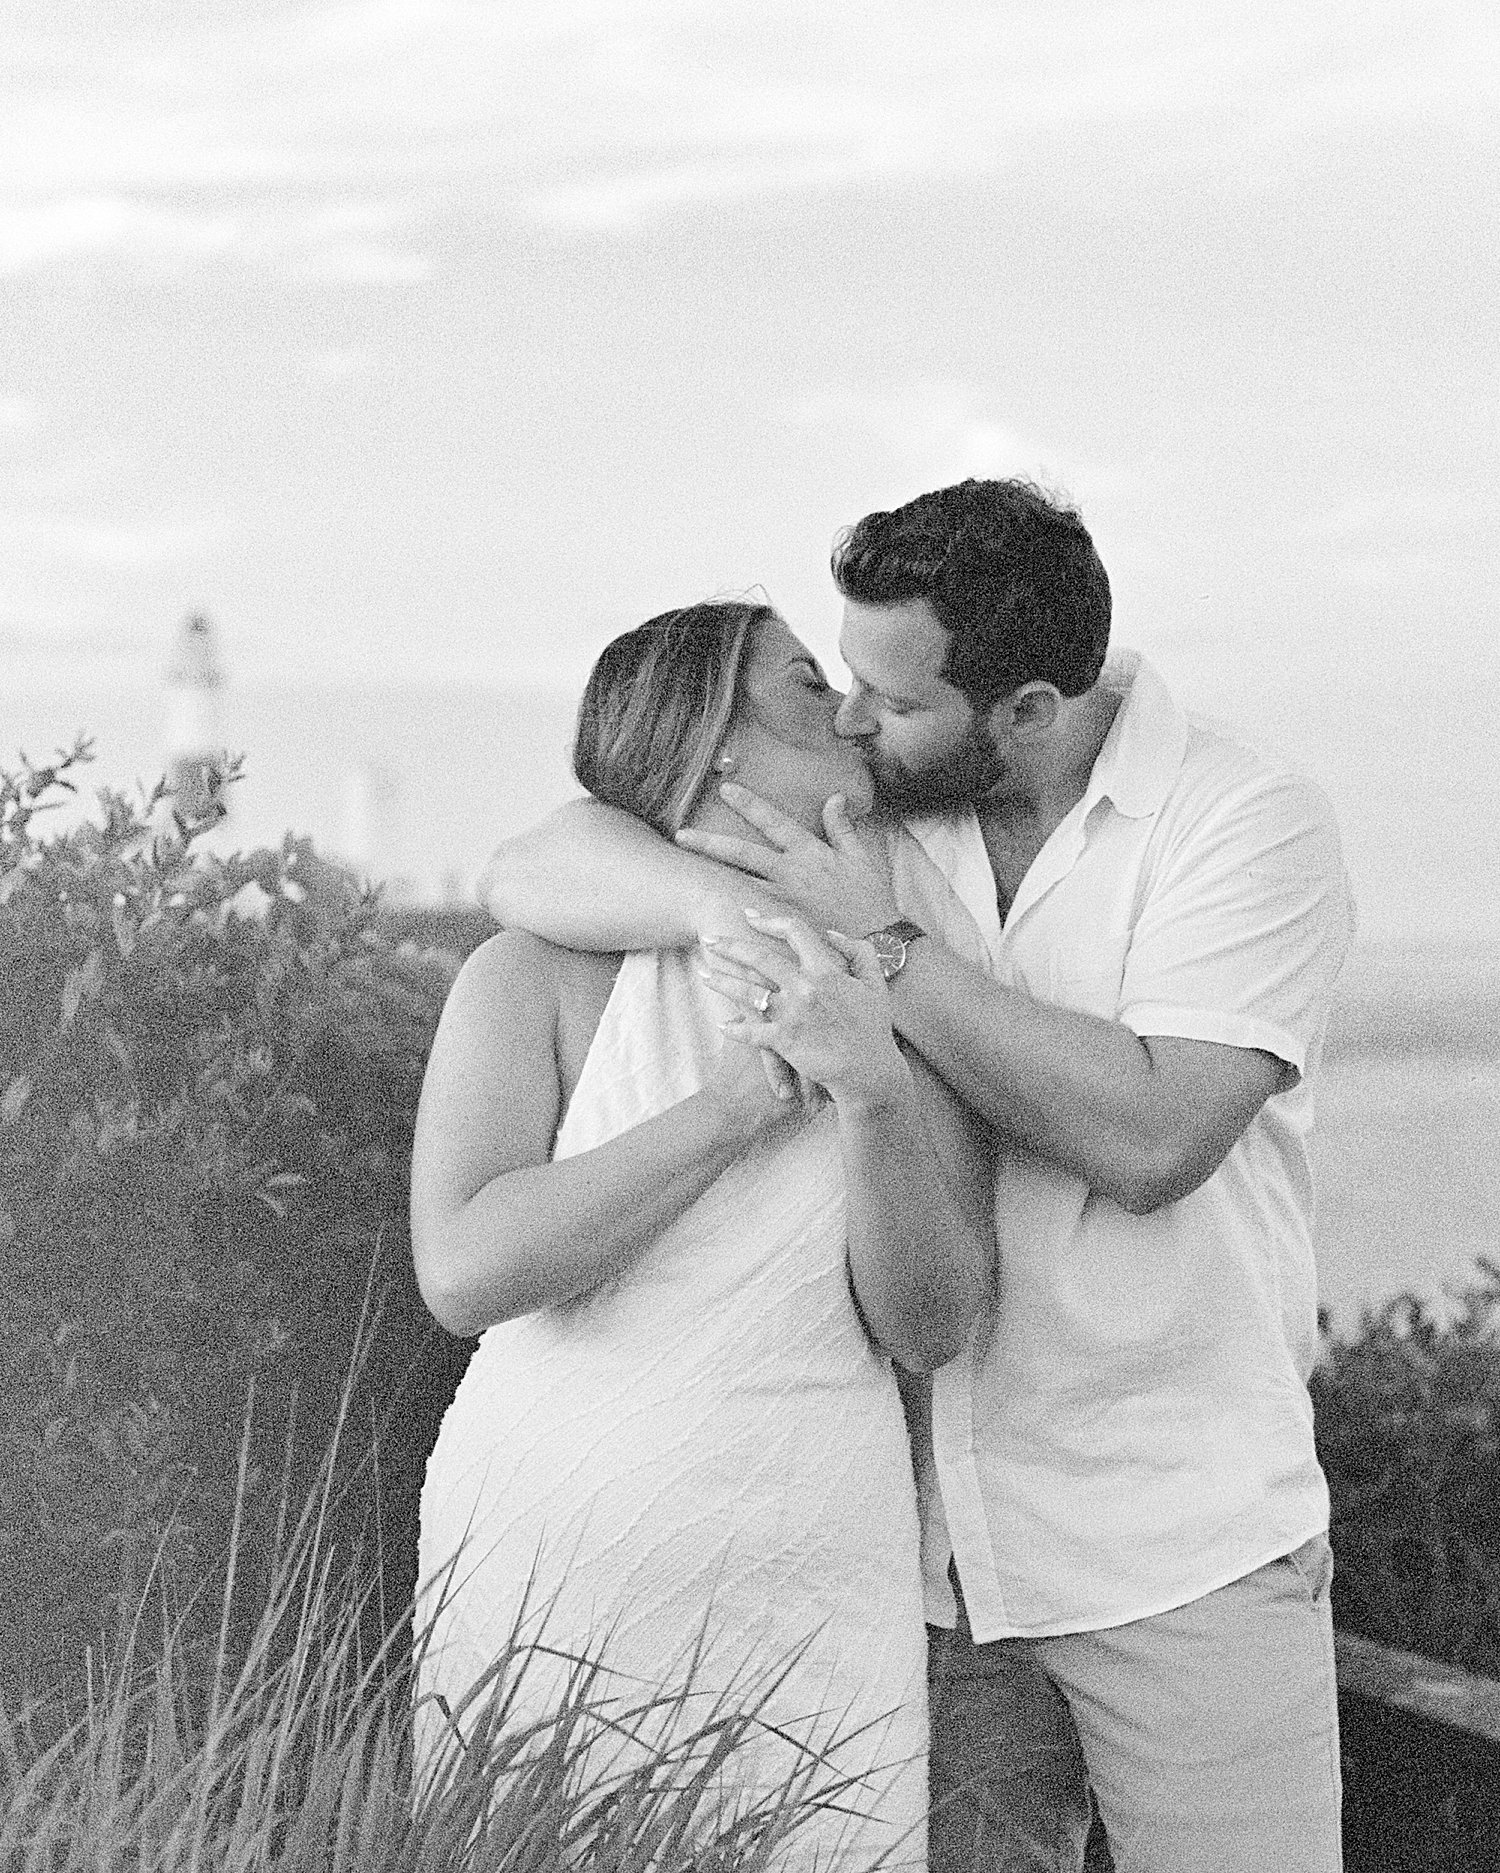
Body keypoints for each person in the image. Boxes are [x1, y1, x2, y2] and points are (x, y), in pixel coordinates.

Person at [480, 478, 1356, 1873]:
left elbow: (1151, 1141)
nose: (848, 720)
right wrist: (733, 905)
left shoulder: (1242, 823)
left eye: (889, 701)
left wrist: (881, 940)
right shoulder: (879, 804)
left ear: (1023, 712)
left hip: (1178, 1543)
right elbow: (538, 854)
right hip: (922, 1565)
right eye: (840, 679)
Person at [412, 598, 996, 1872]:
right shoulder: (529, 975)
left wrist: (876, 1092)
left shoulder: (893, 979)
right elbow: (464, 1268)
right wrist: (731, 1109)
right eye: (802, 685)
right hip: (551, 1551)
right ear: (714, 747)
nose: (849, 707)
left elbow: (933, 1322)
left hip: (813, 1574)